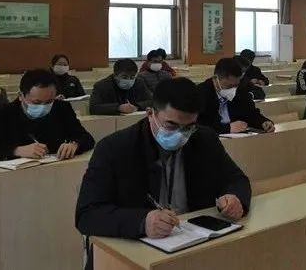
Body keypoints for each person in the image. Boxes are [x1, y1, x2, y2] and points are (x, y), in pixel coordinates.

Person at [75, 78, 251, 264]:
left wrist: (235, 198)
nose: (181, 134)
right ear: (150, 114)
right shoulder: (115, 148)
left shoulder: (205, 139)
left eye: (189, 127)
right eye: (171, 125)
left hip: (193, 245)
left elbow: (236, 179)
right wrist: (142, 222)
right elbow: (86, 215)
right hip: (135, 251)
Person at [0, 69, 95, 165]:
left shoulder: (61, 108)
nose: (43, 107)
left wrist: (75, 144)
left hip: (55, 172)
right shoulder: (0, 115)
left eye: (49, 101)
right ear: (21, 96)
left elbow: (87, 138)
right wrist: (16, 151)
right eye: (36, 102)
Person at [197, 58, 275, 134]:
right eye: (229, 86)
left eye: (236, 85)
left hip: (238, 138)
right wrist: (228, 128)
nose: (233, 89)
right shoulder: (201, 93)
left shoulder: (240, 90)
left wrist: (263, 122)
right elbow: (198, 125)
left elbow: (251, 113)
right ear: (216, 80)